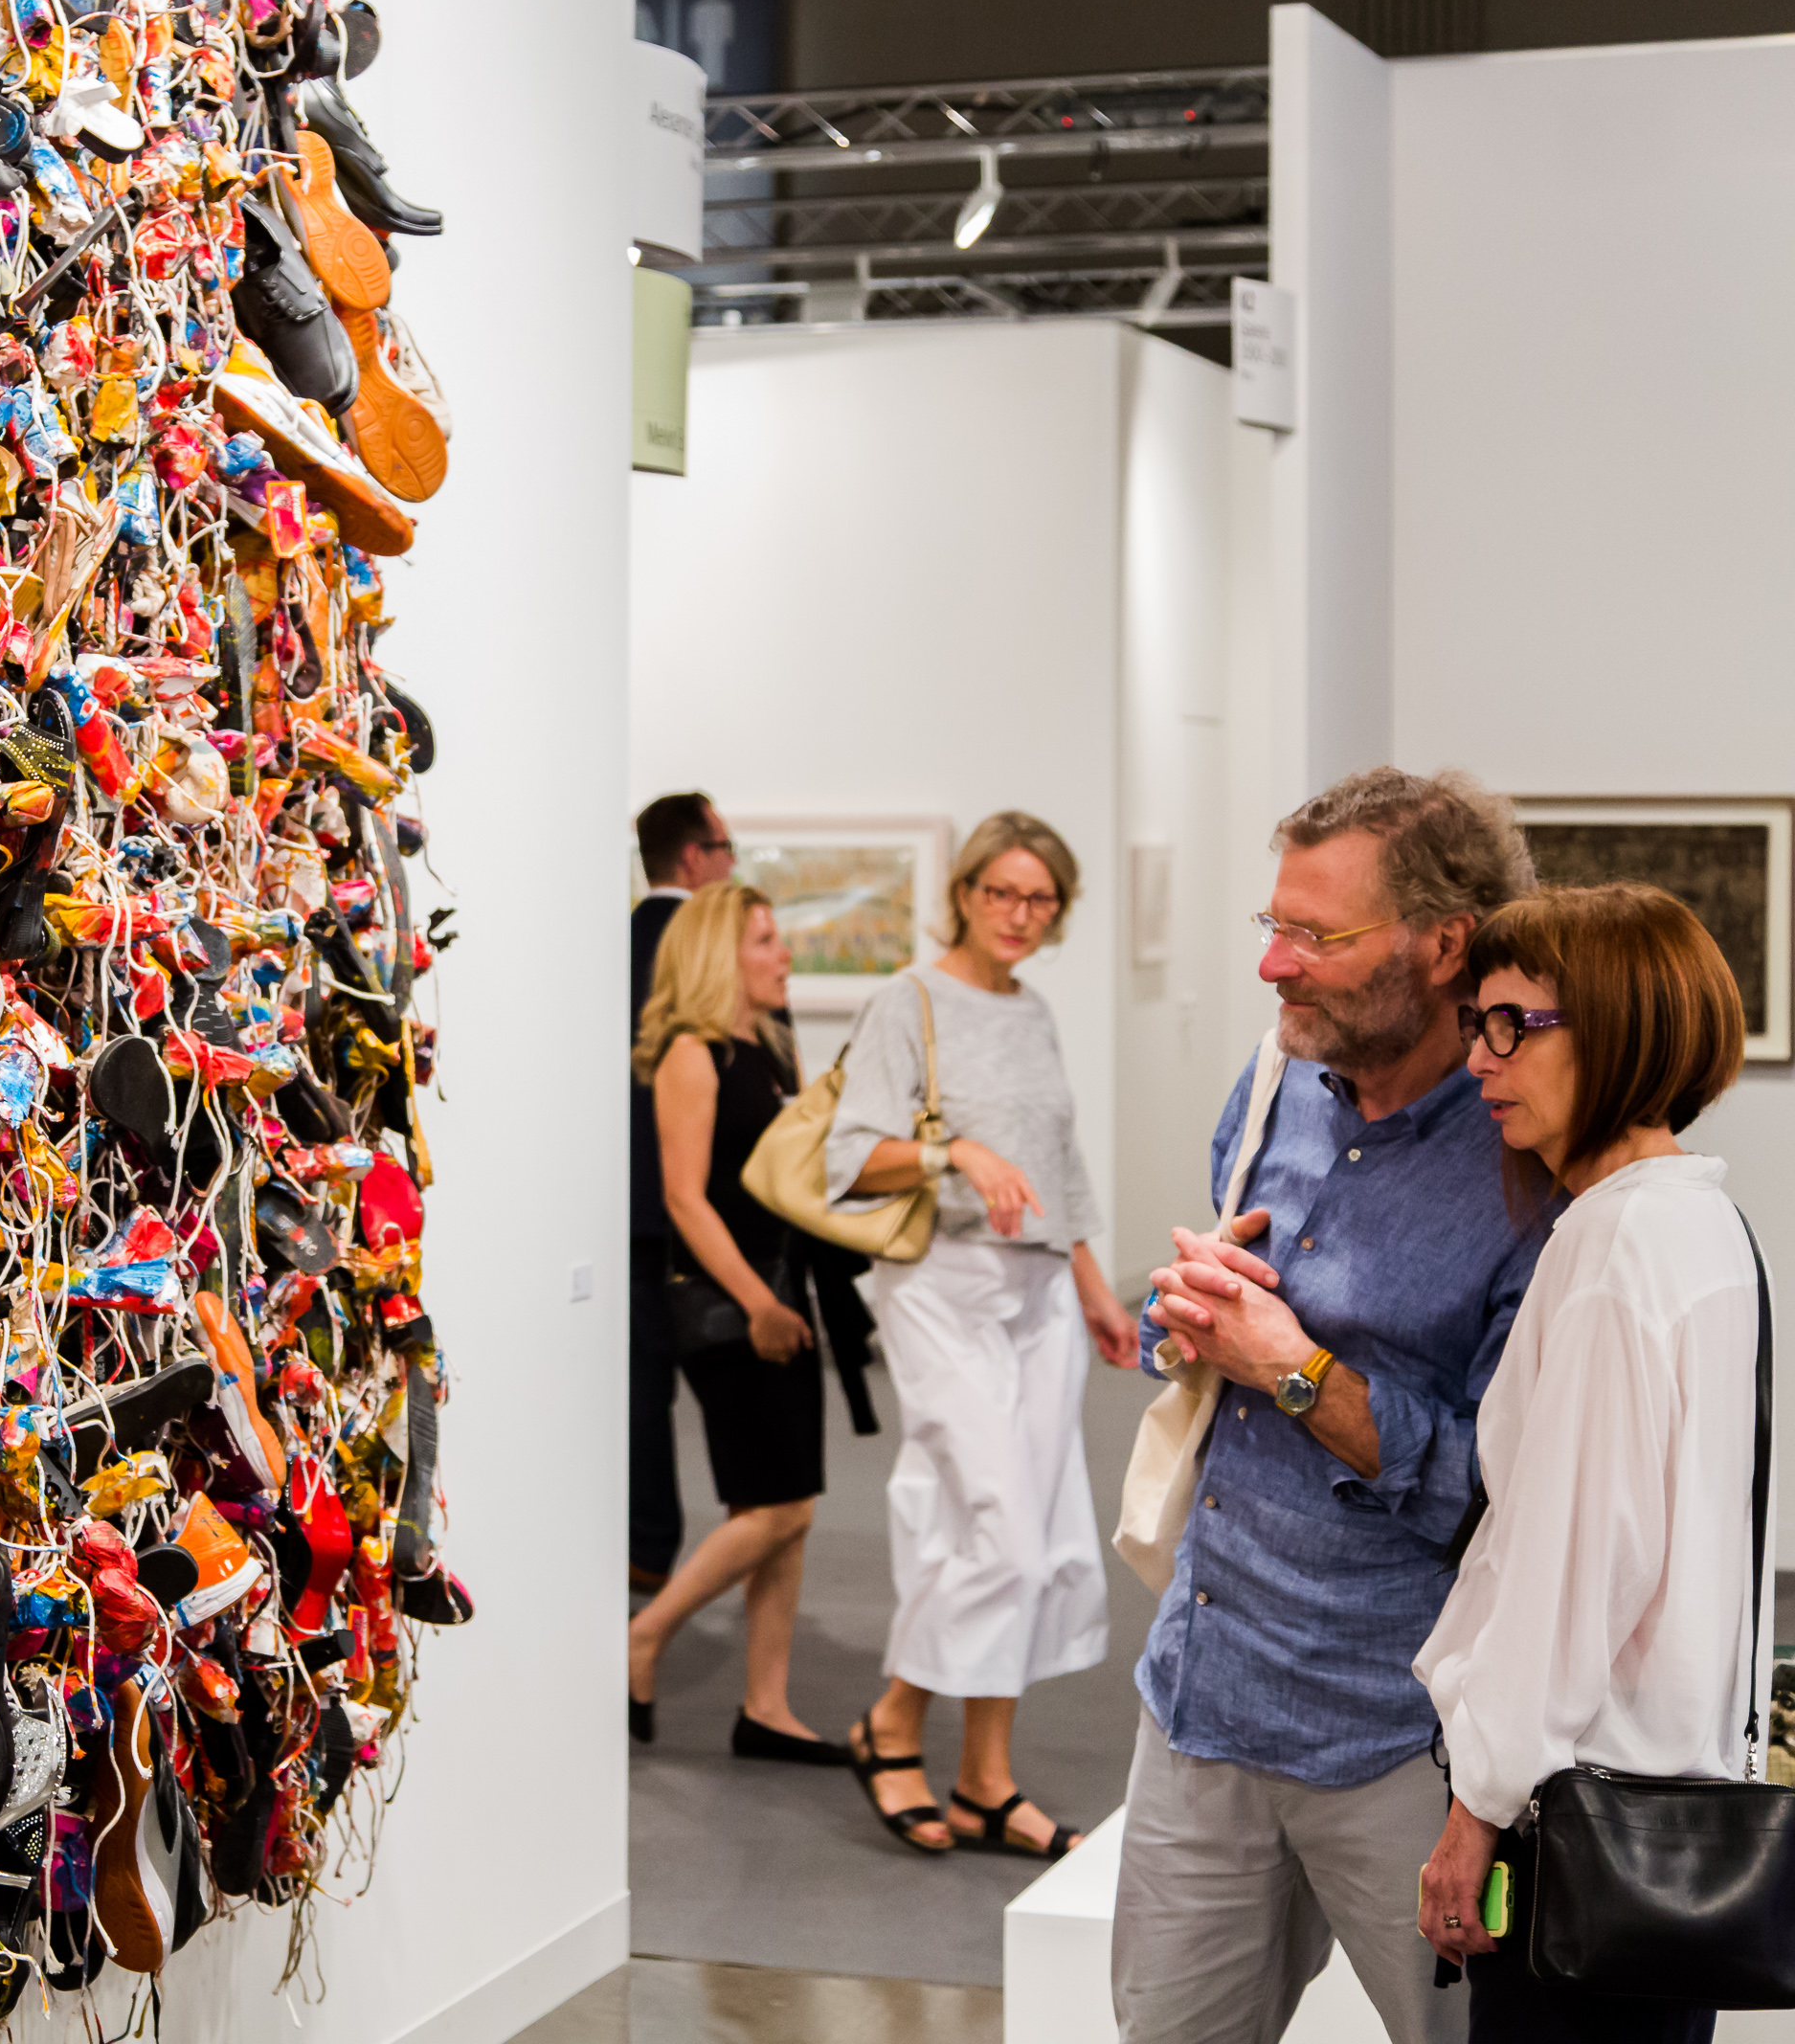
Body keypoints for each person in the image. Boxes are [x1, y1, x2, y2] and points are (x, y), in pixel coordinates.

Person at [1118, 767, 1544, 2044]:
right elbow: (1210, 1343)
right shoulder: (1272, 1087)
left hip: (1401, 1739)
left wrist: (1294, 1368)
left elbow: (1495, 1499)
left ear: (1446, 944)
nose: (1274, 966)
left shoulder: (1528, 1160)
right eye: (1274, 925)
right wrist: (1185, 1319)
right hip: (1202, 1694)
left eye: (1316, 935)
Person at [1412, 885, 1757, 2043]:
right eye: (1478, 1023)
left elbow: (1570, 1571)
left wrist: (1476, 1811)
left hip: (1582, 1820)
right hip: (1668, 1810)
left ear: (1619, 1029)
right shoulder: (1702, 1223)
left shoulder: (1617, 1246)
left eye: (1514, 1024)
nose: (1480, 1058)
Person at [823, 813, 1139, 1856]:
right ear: (963, 893)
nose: (1019, 914)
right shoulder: (906, 1001)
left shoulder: (1033, 1010)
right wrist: (956, 1152)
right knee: (997, 1524)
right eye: (1001, 892)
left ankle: (985, 1780)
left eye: (1040, 899)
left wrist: (1092, 1283)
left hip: (1041, 1290)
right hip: (940, 1284)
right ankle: (892, 1722)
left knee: (1035, 1528)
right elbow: (849, 1158)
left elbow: (1060, 1162)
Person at [623, 882, 857, 1766]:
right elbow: (685, 1200)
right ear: (719, 954)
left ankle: (767, 1705)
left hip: (779, 1297)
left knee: (779, 1505)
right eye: (764, 940)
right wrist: (759, 1303)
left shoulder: (769, 1046)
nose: (783, 955)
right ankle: (645, 1636)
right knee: (781, 1506)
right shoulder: (694, 1053)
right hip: (732, 1308)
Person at [633, 791, 736, 1595]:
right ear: (696, 857)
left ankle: (647, 1549)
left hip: (628, 1208)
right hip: (705, 1212)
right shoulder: (711, 953)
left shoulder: (615, 942)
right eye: (727, 850)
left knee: (641, 1397)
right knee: (738, 1396)